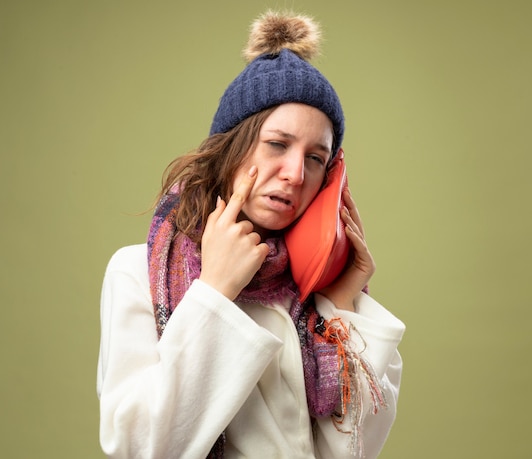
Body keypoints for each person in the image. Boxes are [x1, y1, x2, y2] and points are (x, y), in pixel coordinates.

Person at [96, 10, 405, 459]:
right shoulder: (135, 272)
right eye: (277, 145)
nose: (296, 173)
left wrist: (340, 307)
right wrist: (215, 292)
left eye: (316, 158)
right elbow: (140, 446)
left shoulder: (315, 288)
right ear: (232, 146)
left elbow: (354, 452)